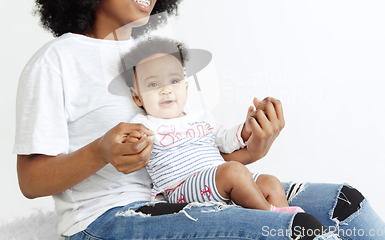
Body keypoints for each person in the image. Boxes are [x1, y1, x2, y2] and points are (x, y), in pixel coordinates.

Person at [14, 0, 385, 239]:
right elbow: (30, 181)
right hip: (108, 219)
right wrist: (101, 151)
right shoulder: (56, 60)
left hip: (187, 192)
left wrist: (249, 149)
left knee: (345, 204)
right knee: (292, 230)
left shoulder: (155, 57)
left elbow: (189, 153)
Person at [120, 37, 304, 213]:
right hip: (180, 189)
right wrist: (133, 142)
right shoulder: (143, 123)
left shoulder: (202, 117)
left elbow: (226, 140)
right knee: (234, 171)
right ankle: (273, 216)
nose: (166, 90)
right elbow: (131, 148)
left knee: (271, 183)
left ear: (185, 88)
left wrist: (247, 128)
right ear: (137, 97)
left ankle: (284, 231)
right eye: (153, 84)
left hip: (218, 180)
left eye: (174, 81)